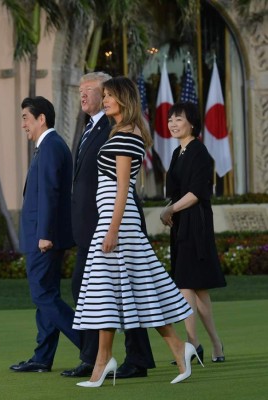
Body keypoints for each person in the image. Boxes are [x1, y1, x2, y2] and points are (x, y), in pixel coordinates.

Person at [72, 76, 202, 388]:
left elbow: (121, 189)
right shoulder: (120, 132)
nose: (105, 101)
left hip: (119, 222)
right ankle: (174, 348)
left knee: (112, 292)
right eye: (104, 96)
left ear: (124, 100)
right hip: (114, 220)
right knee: (134, 292)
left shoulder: (127, 135)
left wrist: (113, 229)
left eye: (110, 96)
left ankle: (104, 362)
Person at [61, 72, 155, 379]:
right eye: (81, 91)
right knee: (92, 290)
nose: (84, 96)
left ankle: (129, 359)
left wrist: (112, 228)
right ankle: (96, 358)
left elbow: (122, 185)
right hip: (93, 223)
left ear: (109, 93)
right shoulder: (91, 127)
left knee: (125, 292)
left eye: (90, 91)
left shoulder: (115, 128)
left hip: (110, 223)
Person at [10, 96, 81, 372]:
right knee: (47, 295)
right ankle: (42, 357)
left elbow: (50, 194)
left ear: (42, 119)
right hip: (43, 236)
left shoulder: (51, 146)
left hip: (44, 239)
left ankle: (90, 344)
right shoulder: (48, 146)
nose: (23, 124)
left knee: (43, 296)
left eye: (26, 118)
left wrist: (44, 234)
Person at [160, 102, 226, 364]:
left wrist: (170, 209)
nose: (173, 124)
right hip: (181, 224)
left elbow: (198, 192)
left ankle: (192, 344)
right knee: (198, 291)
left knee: (185, 284)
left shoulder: (199, 152)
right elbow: (176, 192)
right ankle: (216, 344)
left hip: (196, 225)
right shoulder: (178, 153)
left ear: (193, 123)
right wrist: (171, 210)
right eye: (170, 120)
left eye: (179, 119)